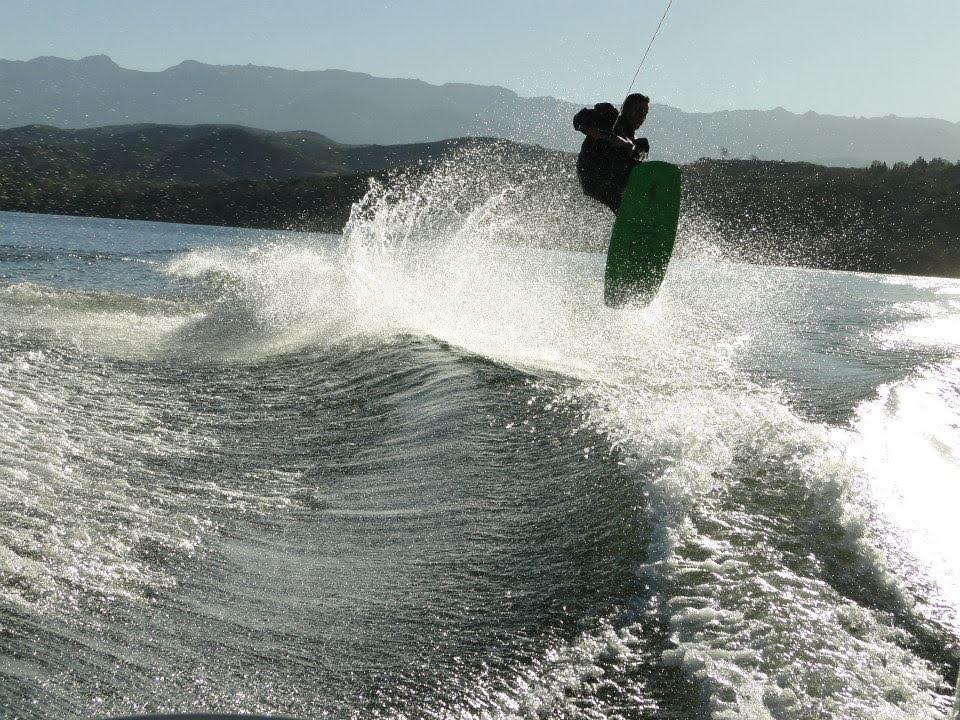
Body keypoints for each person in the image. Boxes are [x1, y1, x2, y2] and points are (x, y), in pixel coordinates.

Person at [572, 93, 651, 213]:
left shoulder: (635, 142)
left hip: (613, 179)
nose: (642, 117)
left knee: (642, 148)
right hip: (592, 173)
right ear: (626, 109)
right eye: (639, 110)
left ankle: (635, 221)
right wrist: (607, 137)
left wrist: (629, 146)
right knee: (618, 196)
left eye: (645, 114)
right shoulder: (608, 114)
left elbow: (639, 153)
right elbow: (578, 119)